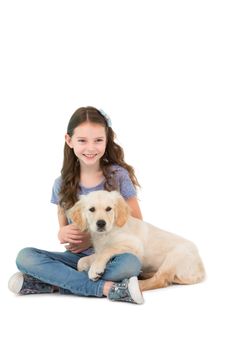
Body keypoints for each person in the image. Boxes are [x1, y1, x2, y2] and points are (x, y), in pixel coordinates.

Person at [8, 106, 144, 304]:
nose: (90, 148)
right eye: (82, 140)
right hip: (78, 261)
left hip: (113, 257)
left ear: (107, 140)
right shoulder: (61, 184)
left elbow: (137, 223)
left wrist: (91, 239)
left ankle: (53, 283)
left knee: (130, 265)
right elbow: (63, 227)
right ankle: (108, 288)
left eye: (98, 140)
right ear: (69, 140)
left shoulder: (118, 176)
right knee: (25, 257)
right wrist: (61, 233)